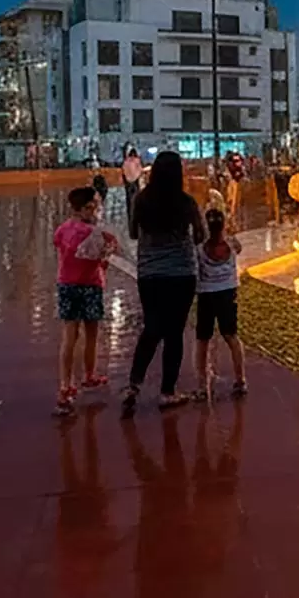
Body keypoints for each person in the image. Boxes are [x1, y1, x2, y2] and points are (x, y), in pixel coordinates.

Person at [122, 150, 205, 412]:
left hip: (150, 274)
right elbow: (199, 237)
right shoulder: (187, 203)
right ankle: (167, 392)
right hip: (181, 273)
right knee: (174, 333)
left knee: (152, 327)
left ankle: (134, 384)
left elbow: (134, 233)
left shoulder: (141, 200)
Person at [53, 185, 119, 417]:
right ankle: (88, 375)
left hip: (67, 285)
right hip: (91, 285)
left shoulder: (63, 230)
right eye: (94, 206)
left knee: (70, 336)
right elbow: (109, 252)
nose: (97, 210)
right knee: (91, 333)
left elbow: (60, 247)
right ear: (84, 208)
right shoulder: (98, 233)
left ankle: (65, 385)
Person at [193, 202, 246, 400]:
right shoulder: (232, 245)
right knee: (232, 336)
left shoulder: (200, 249)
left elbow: (196, 270)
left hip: (206, 295)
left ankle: (201, 385)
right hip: (228, 294)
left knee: (203, 340)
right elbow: (238, 247)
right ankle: (240, 379)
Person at [121, 145, 143, 218]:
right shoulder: (137, 160)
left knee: (129, 199)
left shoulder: (126, 161)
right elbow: (140, 170)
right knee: (136, 198)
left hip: (128, 183)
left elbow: (124, 171)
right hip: (135, 182)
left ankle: (130, 214)